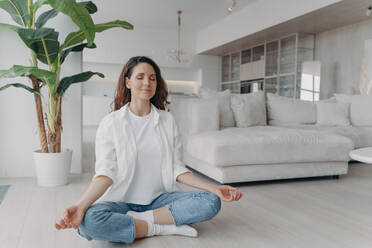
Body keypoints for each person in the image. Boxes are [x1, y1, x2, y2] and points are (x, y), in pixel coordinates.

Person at [55, 56, 243, 244]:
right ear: (127, 82)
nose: (147, 82)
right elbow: (105, 172)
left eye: (152, 78)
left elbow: (177, 169)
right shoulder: (111, 123)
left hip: (159, 200)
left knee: (211, 201)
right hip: (121, 202)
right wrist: (80, 206)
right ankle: (161, 226)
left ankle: (138, 224)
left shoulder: (167, 121)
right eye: (140, 77)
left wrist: (214, 188)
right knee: (88, 222)